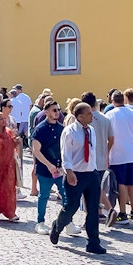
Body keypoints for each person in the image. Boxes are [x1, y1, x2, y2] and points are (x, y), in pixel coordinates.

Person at [50, 102, 107, 255]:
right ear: (80, 116)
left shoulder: (92, 130)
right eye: (88, 113)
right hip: (75, 174)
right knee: (71, 206)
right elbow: (65, 154)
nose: (92, 116)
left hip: (91, 174)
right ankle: (57, 226)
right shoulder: (69, 132)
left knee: (93, 209)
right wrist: (69, 172)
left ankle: (93, 242)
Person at [105, 89, 133, 226]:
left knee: (120, 184)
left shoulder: (110, 114)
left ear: (112, 101)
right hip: (131, 153)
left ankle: (123, 213)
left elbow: (108, 136)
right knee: (131, 184)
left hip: (117, 153)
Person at [31, 100, 69, 234]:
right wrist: (48, 165)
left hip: (60, 169)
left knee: (66, 195)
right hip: (44, 170)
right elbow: (36, 150)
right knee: (44, 196)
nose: (57, 112)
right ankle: (40, 222)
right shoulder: (40, 129)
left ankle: (67, 222)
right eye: (54, 110)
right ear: (46, 112)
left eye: (58, 110)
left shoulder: (61, 128)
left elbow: (65, 148)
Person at [81, 91, 116, 226]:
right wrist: (107, 150)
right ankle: (99, 213)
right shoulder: (105, 119)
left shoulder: (84, 119)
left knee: (89, 189)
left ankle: (98, 213)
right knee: (98, 186)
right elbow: (111, 138)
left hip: (89, 159)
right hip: (102, 157)